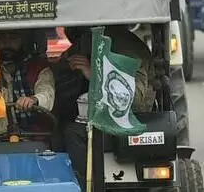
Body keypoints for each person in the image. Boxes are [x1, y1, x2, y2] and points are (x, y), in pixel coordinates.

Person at [56, 25, 154, 190]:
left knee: (72, 133)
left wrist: (92, 74)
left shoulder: (127, 47)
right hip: (97, 114)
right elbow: (61, 67)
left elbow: (134, 100)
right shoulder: (89, 39)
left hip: (129, 119)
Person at [0, 30, 55, 142]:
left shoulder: (39, 67)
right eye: (2, 38)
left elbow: (47, 93)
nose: (7, 44)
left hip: (33, 138)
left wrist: (33, 99)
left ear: (24, 40)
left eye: (13, 37)